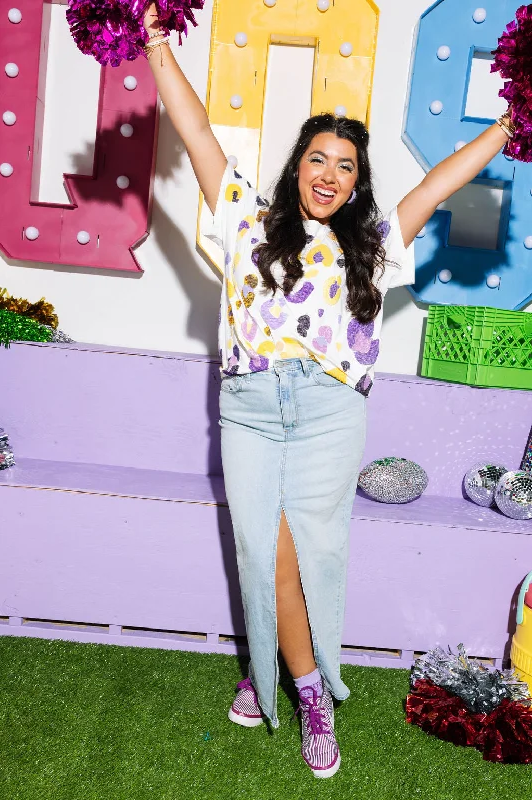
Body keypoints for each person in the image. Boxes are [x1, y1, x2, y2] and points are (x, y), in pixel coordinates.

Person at [143, 4, 515, 779]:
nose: (328, 175)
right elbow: (196, 130)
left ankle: (303, 689)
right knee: (258, 547)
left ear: (356, 184)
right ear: (297, 165)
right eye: (318, 158)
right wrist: (150, 38)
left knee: (308, 550)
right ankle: (287, 676)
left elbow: (445, 178)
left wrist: (513, 120)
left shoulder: (374, 245)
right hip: (248, 406)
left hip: (327, 410)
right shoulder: (245, 217)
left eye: (345, 166)